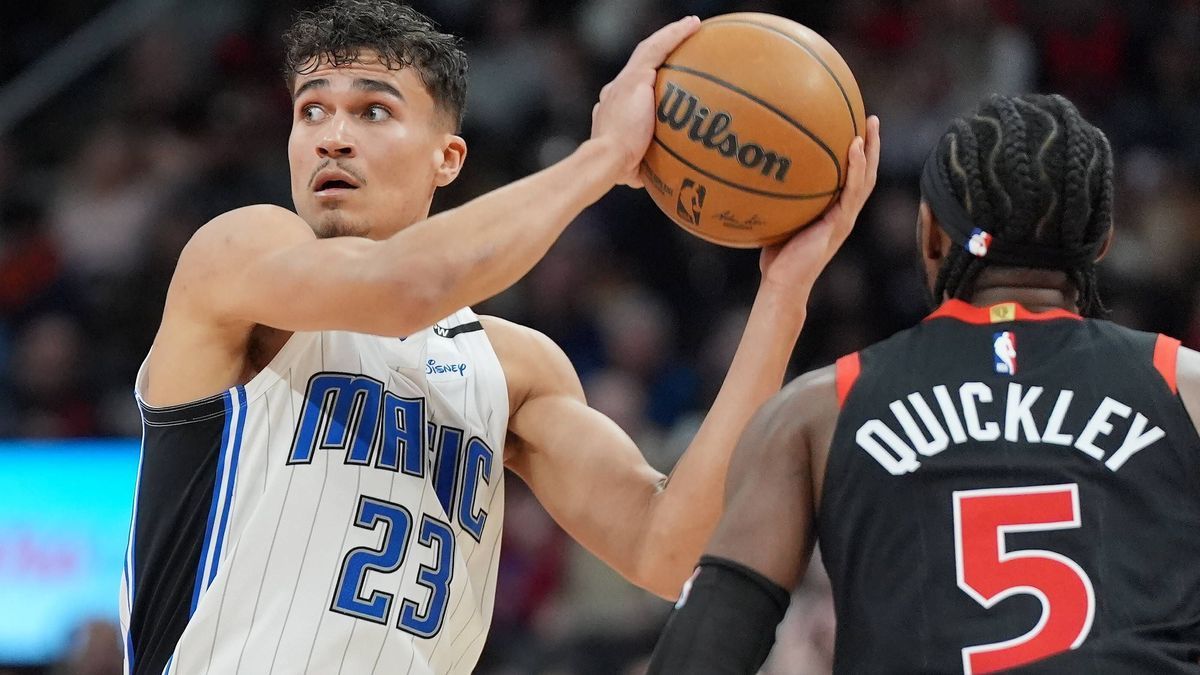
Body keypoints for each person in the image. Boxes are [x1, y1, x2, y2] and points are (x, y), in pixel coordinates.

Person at [117, 2, 881, 674]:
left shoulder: (512, 368)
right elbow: (400, 287)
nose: (332, 138)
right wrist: (602, 158)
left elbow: (671, 551)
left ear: (447, 158)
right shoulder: (239, 253)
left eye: (372, 111)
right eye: (311, 111)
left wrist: (783, 292)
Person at [648, 93, 1200, 674]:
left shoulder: (819, 411)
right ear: (1101, 241)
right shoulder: (1184, 387)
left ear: (931, 234)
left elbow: (698, 657)